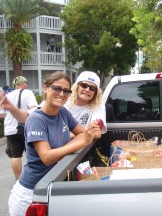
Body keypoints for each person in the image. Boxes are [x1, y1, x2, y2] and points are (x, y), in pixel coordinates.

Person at [8, 71, 100, 216]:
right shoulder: (36, 119)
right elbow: (47, 157)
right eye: (57, 88)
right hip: (30, 193)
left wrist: (82, 139)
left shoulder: (63, 112)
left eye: (66, 91)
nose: (62, 94)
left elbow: (82, 133)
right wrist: (81, 142)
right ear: (45, 88)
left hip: (52, 186)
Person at [0, 76, 38, 180]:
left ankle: (18, 181)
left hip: (10, 130)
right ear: (22, 84)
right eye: (26, 83)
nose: (27, 85)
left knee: (15, 156)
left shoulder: (7, 96)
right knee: (32, 155)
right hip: (26, 128)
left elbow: (1, 114)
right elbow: (34, 109)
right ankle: (31, 178)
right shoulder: (28, 93)